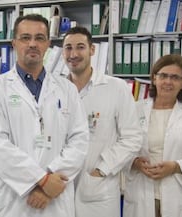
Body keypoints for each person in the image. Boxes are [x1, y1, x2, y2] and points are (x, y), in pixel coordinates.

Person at [0, 14, 89, 217]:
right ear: (14, 43)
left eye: (39, 38)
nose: (32, 44)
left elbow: (79, 140)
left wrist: (50, 185)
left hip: (55, 198)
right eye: (25, 37)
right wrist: (42, 180)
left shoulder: (67, 89)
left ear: (47, 43)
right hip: (14, 200)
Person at [61, 26, 142, 217]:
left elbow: (132, 138)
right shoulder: (55, 89)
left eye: (80, 47)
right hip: (60, 186)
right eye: (68, 48)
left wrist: (102, 169)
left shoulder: (116, 87)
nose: (73, 54)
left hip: (98, 189)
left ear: (92, 50)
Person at [123, 54, 182, 217]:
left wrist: (175, 167)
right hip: (141, 193)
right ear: (154, 78)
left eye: (175, 77)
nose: (168, 82)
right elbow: (121, 148)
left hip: (177, 194)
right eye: (163, 75)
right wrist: (135, 163)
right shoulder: (135, 110)